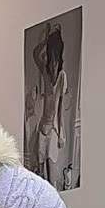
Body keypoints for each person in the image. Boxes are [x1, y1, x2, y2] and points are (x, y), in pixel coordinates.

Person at [31, 22, 68, 185]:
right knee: (40, 176)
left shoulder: (62, 77)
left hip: (53, 129)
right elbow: (36, 54)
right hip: (42, 128)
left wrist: (61, 134)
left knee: (52, 174)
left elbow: (60, 108)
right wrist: (46, 37)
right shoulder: (45, 74)